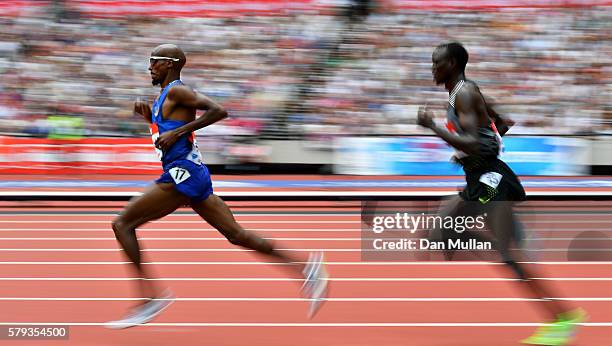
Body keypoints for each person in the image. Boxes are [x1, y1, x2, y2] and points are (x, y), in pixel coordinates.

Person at [106, 44, 328, 329]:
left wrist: (178, 131)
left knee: (122, 224)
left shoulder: (176, 90)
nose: (149, 66)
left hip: (182, 174)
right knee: (236, 235)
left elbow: (219, 111)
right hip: (192, 173)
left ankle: (150, 298)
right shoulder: (164, 96)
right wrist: (151, 118)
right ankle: (306, 268)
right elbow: (167, 136)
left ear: (171, 64)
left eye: (154, 61)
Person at [417, 42, 586, 345]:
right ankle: (508, 243)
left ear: (453, 63)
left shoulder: (465, 93)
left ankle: (562, 318)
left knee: (506, 255)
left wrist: (434, 127)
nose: (433, 69)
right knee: (438, 234)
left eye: (437, 63)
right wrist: (473, 152)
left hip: (490, 180)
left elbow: (474, 140)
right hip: (480, 175)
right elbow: (503, 124)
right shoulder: (466, 92)